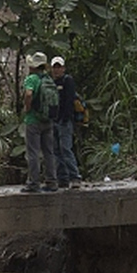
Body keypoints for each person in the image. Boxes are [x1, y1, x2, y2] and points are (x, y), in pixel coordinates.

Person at [21, 56, 61, 191]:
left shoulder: (32, 79)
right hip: (48, 120)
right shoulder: (48, 79)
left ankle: (34, 182)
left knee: (33, 153)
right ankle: (52, 181)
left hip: (33, 120)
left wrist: (27, 107)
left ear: (33, 66)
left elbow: (28, 94)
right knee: (48, 152)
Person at [51, 56, 82, 187]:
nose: (57, 70)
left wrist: (65, 118)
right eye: (55, 67)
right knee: (56, 151)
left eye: (59, 67)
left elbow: (69, 101)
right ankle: (62, 179)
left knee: (65, 149)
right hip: (54, 121)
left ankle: (75, 176)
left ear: (63, 68)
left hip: (65, 121)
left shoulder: (67, 81)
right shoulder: (51, 83)